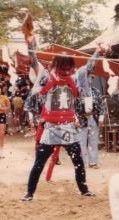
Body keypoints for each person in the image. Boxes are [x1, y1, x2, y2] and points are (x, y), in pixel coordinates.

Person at [21, 42, 108, 201]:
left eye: (69, 65)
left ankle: (84, 189)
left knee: (79, 162)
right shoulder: (47, 76)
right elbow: (34, 62)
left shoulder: (75, 78)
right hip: (51, 128)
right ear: (57, 64)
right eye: (63, 65)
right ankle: (29, 193)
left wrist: (98, 52)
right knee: (39, 163)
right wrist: (31, 44)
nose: (66, 69)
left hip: (68, 127)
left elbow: (88, 67)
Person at [75, 71, 105, 168]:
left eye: (92, 78)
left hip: (93, 118)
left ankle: (93, 162)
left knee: (93, 141)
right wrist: (75, 119)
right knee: (81, 142)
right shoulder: (78, 92)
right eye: (89, 78)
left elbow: (101, 106)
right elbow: (73, 107)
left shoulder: (96, 91)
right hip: (81, 119)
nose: (91, 80)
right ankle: (82, 162)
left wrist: (101, 118)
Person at [0, 84, 11, 158]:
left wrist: (4, 108)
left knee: (1, 134)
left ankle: (1, 151)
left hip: (1, 116)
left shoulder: (4, 98)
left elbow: (9, 107)